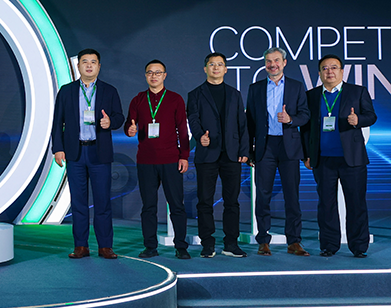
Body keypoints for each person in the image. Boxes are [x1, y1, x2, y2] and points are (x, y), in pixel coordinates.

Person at [51, 49, 124, 259]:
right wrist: (58, 148)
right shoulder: (66, 91)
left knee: (103, 202)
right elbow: (57, 122)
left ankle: (105, 246)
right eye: (85, 62)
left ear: (99, 66)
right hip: (75, 152)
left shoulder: (109, 90)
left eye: (93, 62)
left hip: (99, 152)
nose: (89, 65)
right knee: (78, 202)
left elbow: (119, 117)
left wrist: (110, 122)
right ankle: (81, 246)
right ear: (78, 66)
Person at [301, 55, 377, 258]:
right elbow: (306, 129)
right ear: (319, 73)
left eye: (334, 67)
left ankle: (358, 246)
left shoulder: (357, 91)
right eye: (325, 68)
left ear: (342, 71)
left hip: (352, 159)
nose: (329, 71)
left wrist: (358, 119)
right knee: (326, 204)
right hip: (322, 159)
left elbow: (371, 116)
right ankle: (329, 245)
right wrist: (307, 154)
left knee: (356, 203)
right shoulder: (311, 95)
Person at [246, 47, 310, 256]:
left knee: (292, 195)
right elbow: (250, 122)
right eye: (268, 61)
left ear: (284, 63)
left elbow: (305, 115)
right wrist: (249, 151)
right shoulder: (255, 88)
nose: (272, 65)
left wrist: (291, 119)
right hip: (265, 147)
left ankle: (294, 241)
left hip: (289, 147)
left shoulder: (296, 86)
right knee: (263, 195)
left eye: (276, 60)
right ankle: (263, 240)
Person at [125, 60, 191, 259]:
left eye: (158, 73)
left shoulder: (175, 99)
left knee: (177, 205)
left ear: (164, 75)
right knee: (148, 206)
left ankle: (181, 246)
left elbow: (182, 130)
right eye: (150, 73)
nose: (153, 76)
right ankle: (150, 247)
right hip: (146, 161)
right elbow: (129, 125)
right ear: (145, 76)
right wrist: (130, 130)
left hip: (171, 159)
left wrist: (184, 156)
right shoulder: (138, 99)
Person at [187, 52, 250, 258]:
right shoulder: (195, 94)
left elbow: (242, 123)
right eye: (212, 64)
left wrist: (244, 150)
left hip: (232, 155)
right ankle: (207, 244)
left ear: (226, 69)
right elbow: (193, 119)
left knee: (232, 201)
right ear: (205, 68)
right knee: (204, 201)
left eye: (220, 64)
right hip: (207, 153)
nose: (216, 67)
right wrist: (199, 137)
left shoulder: (234, 94)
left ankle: (231, 243)